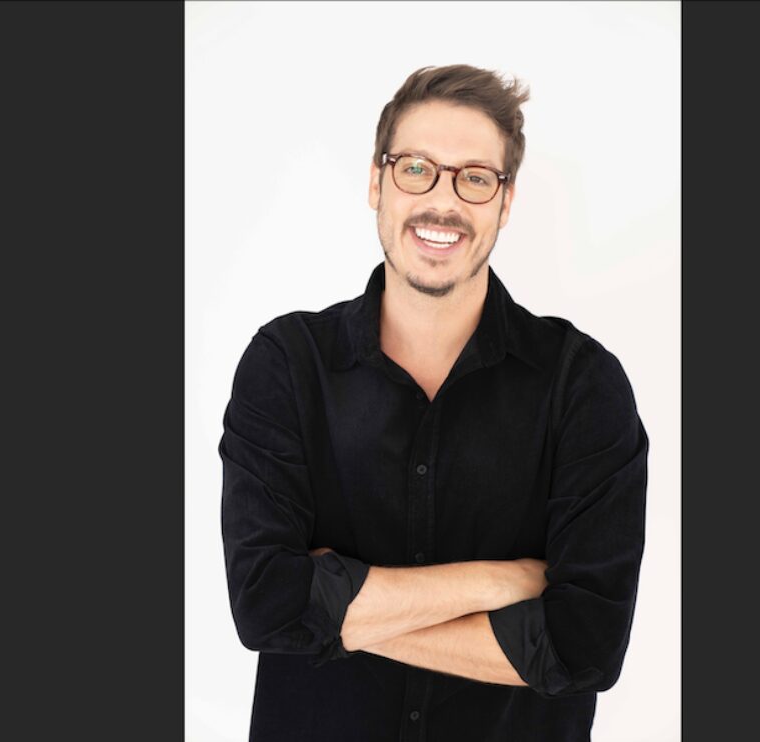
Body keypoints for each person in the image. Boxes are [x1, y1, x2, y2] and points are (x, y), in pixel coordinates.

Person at [220, 64, 648, 742]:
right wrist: (500, 583)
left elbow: (583, 646)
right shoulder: (287, 366)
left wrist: (336, 607)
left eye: (475, 177)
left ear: (505, 204)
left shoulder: (583, 387)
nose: (442, 201)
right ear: (376, 182)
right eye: (416, 167)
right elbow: (266, 607)